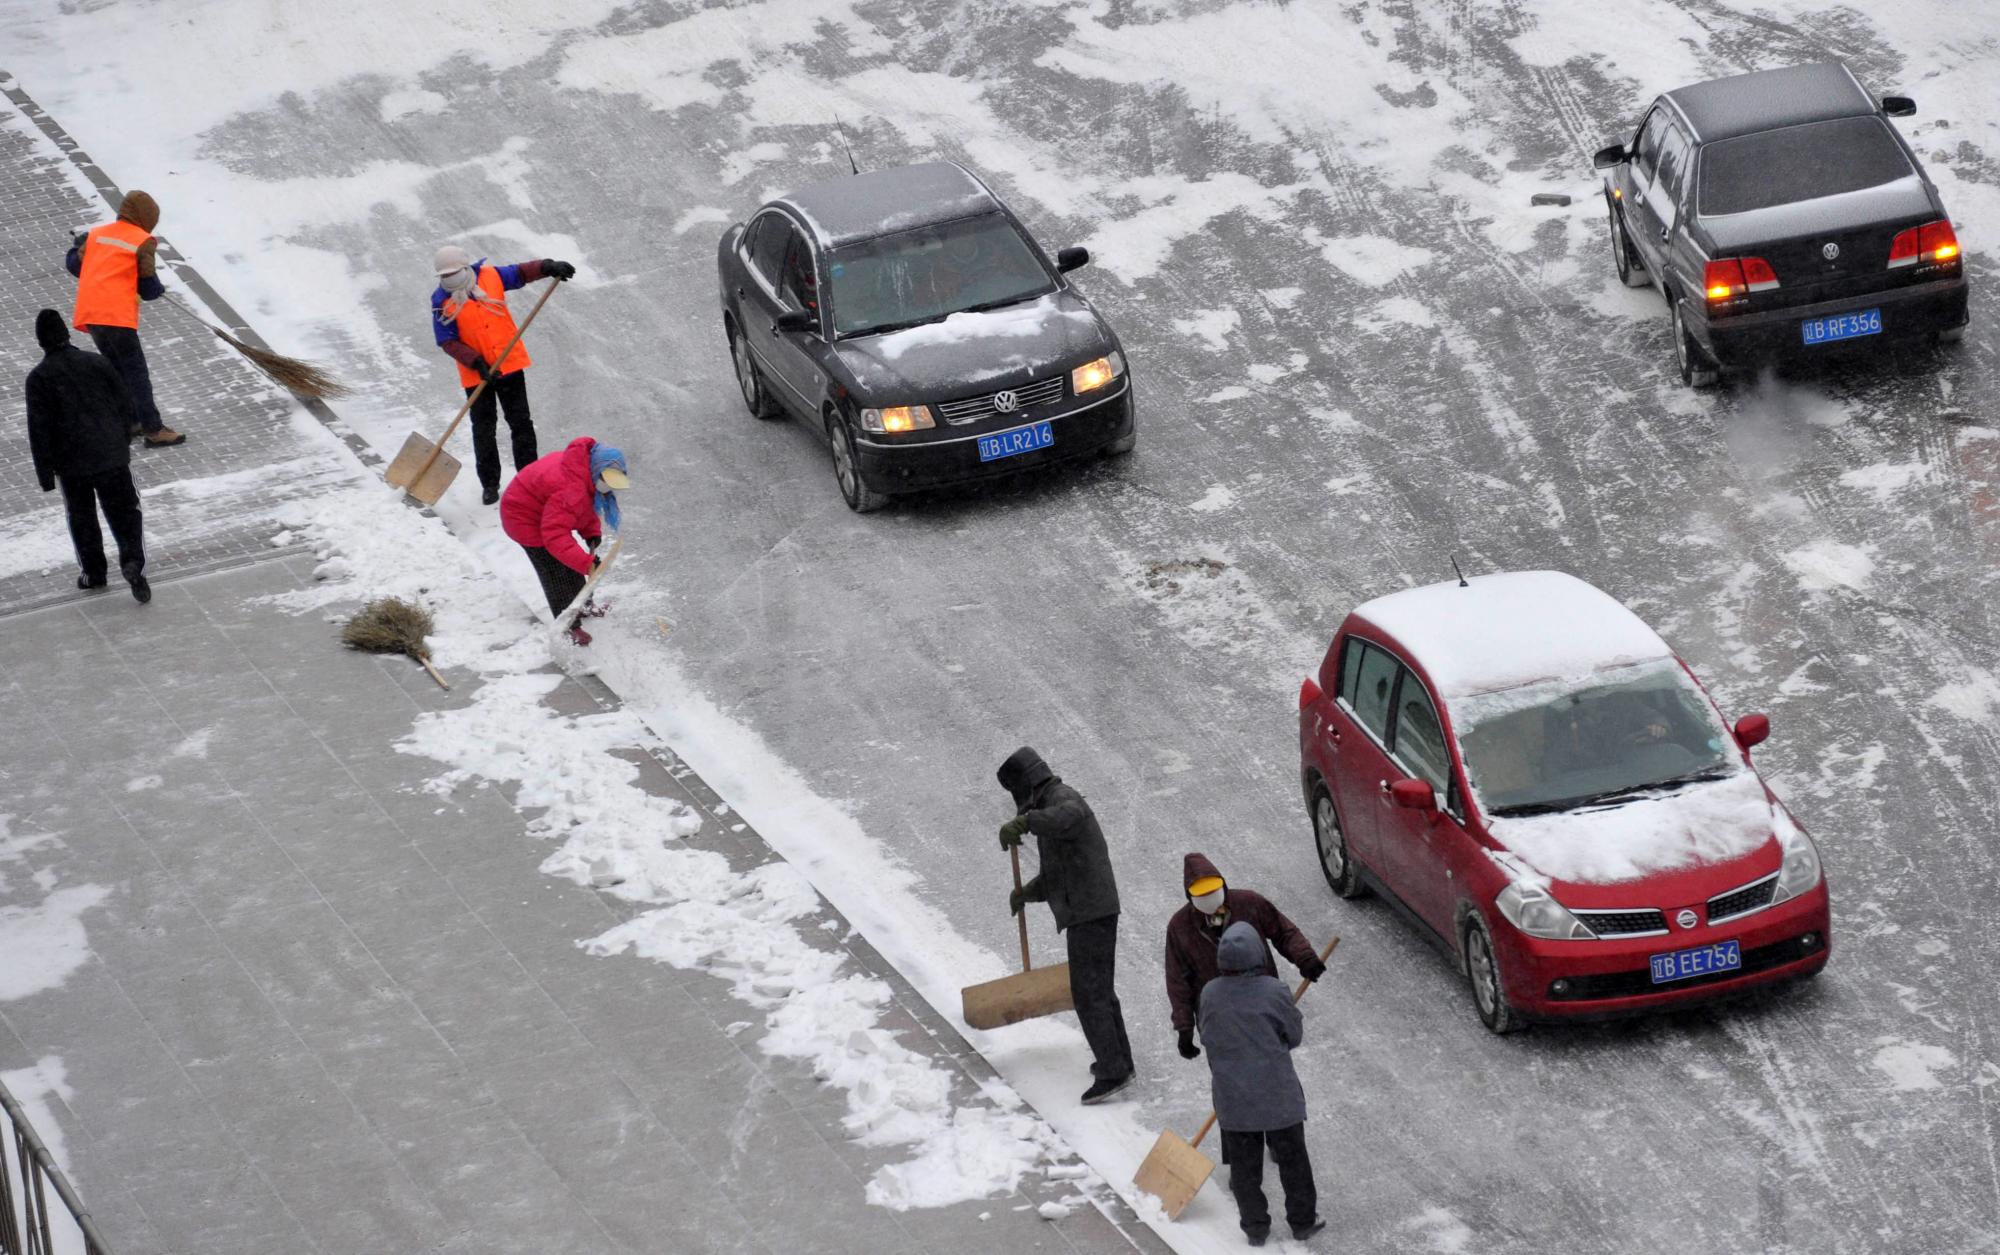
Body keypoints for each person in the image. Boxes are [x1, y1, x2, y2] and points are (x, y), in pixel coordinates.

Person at [997, 746, 1134, 1103]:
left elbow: (1069, 816)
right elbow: (1056, 872)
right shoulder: (1048, 806)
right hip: (1089, 910)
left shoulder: (1062, 798)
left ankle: (1113, 1069)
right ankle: (1118, 1061)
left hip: (1091, 912)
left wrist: (1027, 823)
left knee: (1089, 994)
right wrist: (1028, 892)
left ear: (1026, 784)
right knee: (1099, 991)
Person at [1198, 921, 1324, 1247]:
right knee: (1293, 1161)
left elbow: (1208, 1037)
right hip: (1277, 1094)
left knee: (1244, 1169)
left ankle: (1255, 1227)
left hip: (1233, 1098)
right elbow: (1293, 1036)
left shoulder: (1210, 994)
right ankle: (1302, 1222)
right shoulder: (1275, 991)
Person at [430, 246, 575, 504]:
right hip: (477, 375)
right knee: (484, 429)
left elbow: (520, 273)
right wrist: (475, 362)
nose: (450, 278)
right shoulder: (441, 299)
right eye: (446, 275)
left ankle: (530, 479)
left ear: (466, 267)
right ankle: (489, 484)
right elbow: (446, 340)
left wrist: (548, 266)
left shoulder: (490, 276)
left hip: (509, 364)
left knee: (521, 423)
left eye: (454, 272)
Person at [25, 309, 149, 603]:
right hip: (111, 455)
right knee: (125, 512)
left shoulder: (39, 378)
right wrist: (125, 438)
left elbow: (38, 430)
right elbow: (125, 402)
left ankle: (94, 573)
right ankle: (132, 562)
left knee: (82, 519)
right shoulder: (97, 362)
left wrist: (45, 474)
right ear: (67, 334)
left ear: (41, 342)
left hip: (72, 465)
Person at [1165, 853, 1324, 1063]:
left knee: (1273, 1073)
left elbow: (1284, 932)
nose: (1209, 898)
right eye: (1202, 895)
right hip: (1221, 1025)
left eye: (1212, 891)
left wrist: (1305, 958)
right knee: (1233, 1080)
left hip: (1262, 1011)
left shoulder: (1249, 903)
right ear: (1190, 898)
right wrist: (1184, 1027)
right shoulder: (1179, 927)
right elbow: (1178, 981)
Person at [65, 189, 186, 447]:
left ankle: (130, 422)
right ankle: (154, 430)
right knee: (135, 373)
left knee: (117, 372)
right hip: (116, 315)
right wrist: (157, 288)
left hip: (92, 314)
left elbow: (75, 266)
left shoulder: (97, 235)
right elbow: (148, 288)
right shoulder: (143, 240)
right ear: (146, 218)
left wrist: (77, 247)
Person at [499, 436, 624, 646]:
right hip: (522, 518)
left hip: (543, 512)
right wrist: (585, 562)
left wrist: (590, 531)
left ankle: (584, 606)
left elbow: (584, 508)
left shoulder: (583, 472)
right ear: (597, 471)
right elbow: (555, 535)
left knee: (572, 565)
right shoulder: (571, 489)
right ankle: (567, 626)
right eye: (607, 480)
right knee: (555, 573)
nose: (609, 487)